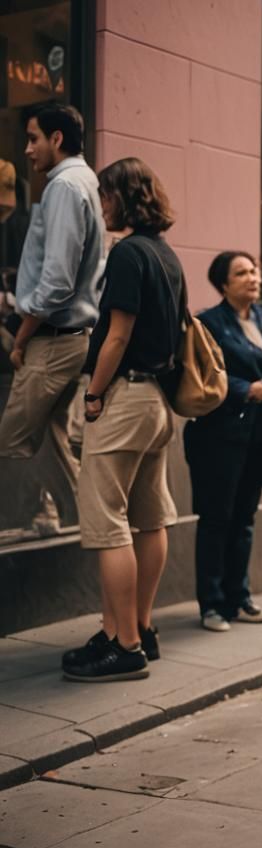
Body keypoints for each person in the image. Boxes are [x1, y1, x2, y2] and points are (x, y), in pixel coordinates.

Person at [61, 158, 181, 682]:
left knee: (108, 520)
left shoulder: (130, 253)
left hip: (125, 397)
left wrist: (93, 392)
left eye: (106, 195)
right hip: (156, 401)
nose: (101, 204)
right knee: (150, 515)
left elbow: (116, 335)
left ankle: (123, 645)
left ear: (124, 197)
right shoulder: (166, 255)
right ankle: (139, 629)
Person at [0, 103, 104, 533]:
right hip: (72, 335)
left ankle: (57, 518)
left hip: (54, 337)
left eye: (33, 138)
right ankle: (85, 519)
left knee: (12, 439)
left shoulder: (63, 186)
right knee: (52, 440)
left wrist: (21, 337)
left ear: (56, 139)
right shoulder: (85, 181)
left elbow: (57, 281)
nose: (27, 149)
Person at [185, 251, 262, 632]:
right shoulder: (208, 323)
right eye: (241, 273)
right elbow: (202, 373)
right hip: (220, 435)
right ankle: (212, 605)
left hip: (259, 435)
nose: (252, 277)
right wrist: (244, 389)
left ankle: (239, 598)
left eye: (254, 270)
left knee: (245, 519)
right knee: (217, 519)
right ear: (224, 284)